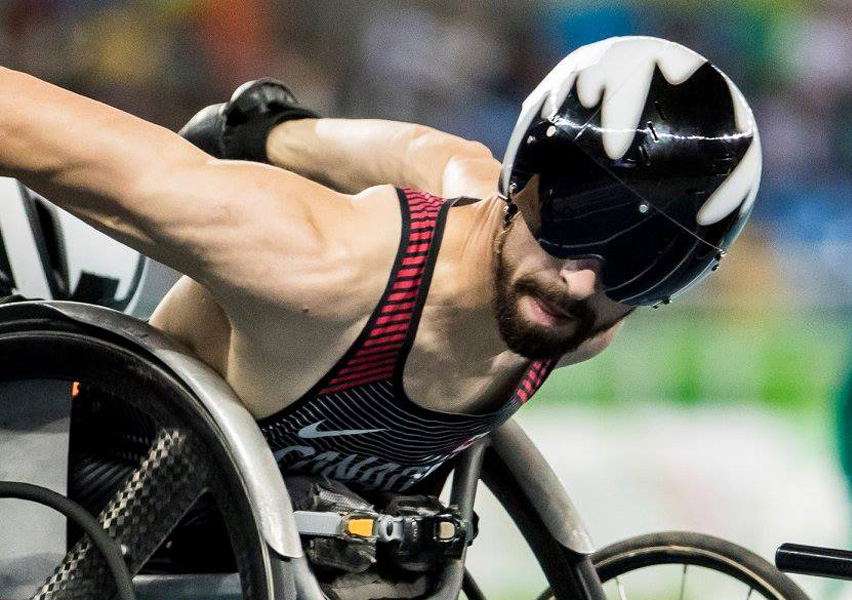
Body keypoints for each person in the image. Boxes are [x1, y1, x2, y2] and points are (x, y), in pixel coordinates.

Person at [0, 36, 760, 494]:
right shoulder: (315, 264)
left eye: (644, 264)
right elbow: (64, 147)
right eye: (578, 221)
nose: (581, 282)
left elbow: (437, 154)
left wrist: (277, 134)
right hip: (81, 525)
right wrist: (258, 150)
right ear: (522, 178)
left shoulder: (577, 313)